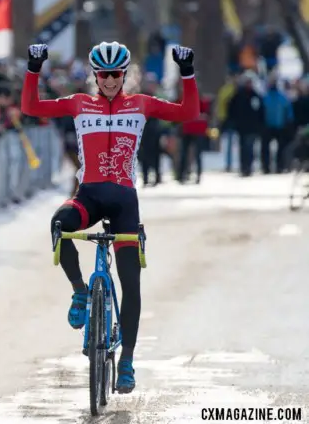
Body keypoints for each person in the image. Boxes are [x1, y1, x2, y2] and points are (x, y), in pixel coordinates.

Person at [21, 41, 200, 394]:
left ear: (125, 74)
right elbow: (30, 106)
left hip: (123, 203)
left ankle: (128, 360)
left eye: (116, 74)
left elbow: (188, 113)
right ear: (95, 75)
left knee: (130, 283)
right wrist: (33, 68)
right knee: (59, 225)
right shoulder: (78, 103)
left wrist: (188, 72)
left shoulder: (141, 104)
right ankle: (80, 292)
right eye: (104, 75)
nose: (110, 81)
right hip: (88, 197)